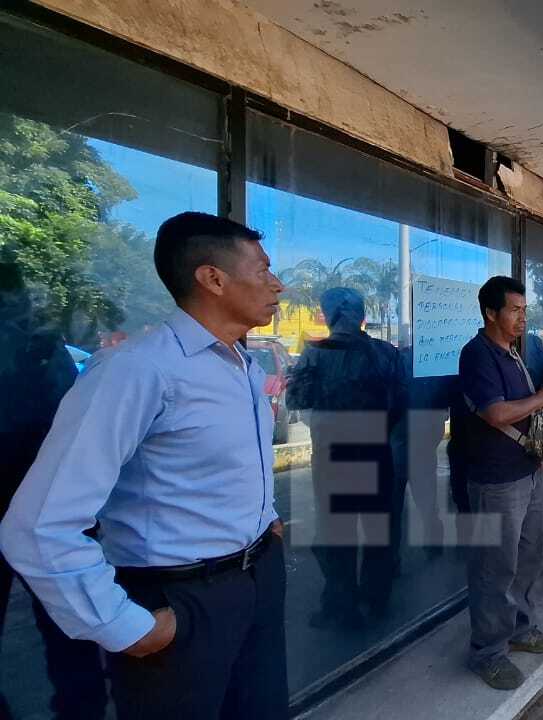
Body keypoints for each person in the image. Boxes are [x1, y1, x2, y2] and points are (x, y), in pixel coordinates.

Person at [0, 212, 288, 719]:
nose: (277, 284)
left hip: (256, 579)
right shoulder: (138, 370)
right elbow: (38, 525)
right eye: (263, 269)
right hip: (179, 597)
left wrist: (267, 522)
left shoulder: (243, 365)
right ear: (213, 278)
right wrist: (121, 625)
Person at [0, 254, 108, 719]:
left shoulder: (38, 345)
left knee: (68, 623)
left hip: (45, 500)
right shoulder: (41, 344)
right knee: (68, 622)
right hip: (52, 500)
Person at [458, 276, 543, 690]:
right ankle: (488, 652)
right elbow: (496, 414)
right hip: (495, 479)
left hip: (527, 471)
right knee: (493, 568)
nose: (522, 318)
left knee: (529, 555)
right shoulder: (477, 354)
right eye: (514, 310)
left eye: (524, 310)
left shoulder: (513, 353)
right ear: (490, 313)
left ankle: (520, 628)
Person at [287, 287, 406, 628]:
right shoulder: (385, 353)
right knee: (378, 531)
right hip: (376, 451)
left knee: (336, 534)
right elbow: (401, 403)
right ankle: (376, 599)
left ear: (327, 316)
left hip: (333, 454)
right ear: (362, 316)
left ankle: (341, 607)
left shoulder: (315, 354)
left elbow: (296, 400)